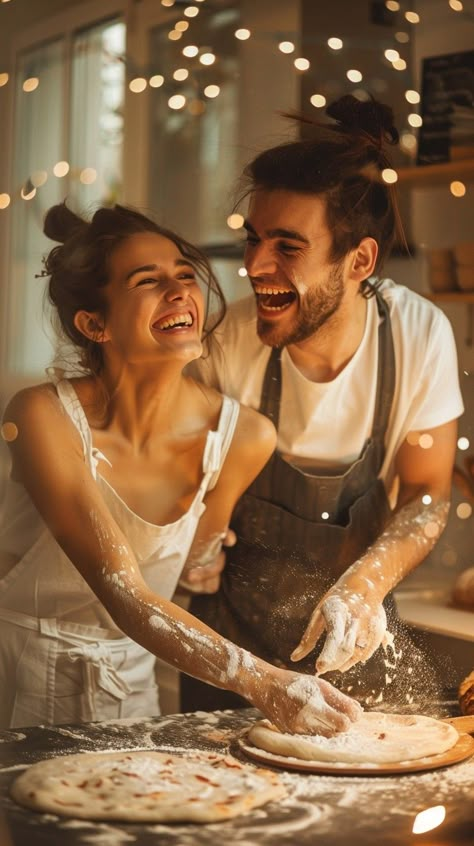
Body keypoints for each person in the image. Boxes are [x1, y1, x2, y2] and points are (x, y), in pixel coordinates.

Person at [0, 202, 361, 733]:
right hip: (16, 683)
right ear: (94, 324)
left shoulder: (243, 437)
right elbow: (124, 591)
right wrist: (261, 681)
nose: (179, 292)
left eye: (185, 275)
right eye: (148, 281)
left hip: (134, 693)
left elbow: (191, 570)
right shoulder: (42, 415)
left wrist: (205, 561)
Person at [181, 95, 464, 711]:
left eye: (287, 246)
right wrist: (194, 546)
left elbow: (424, 498)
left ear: (359, 260)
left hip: (353, 647)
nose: (255, 266)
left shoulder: (418, 335)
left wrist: (364, 586)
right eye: (254, 239)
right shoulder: (226, 342)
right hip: (232, 658)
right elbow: (186, 477)